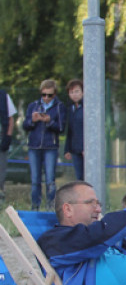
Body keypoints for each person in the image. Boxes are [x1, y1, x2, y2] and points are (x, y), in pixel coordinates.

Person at [23, 79, 66, 211]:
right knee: (35, 180)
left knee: (50, 180)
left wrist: (49, 121)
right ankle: (35, 207)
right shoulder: (33, 106)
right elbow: (25, 125)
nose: (46, 98)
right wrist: (32, 121)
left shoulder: (59, 107)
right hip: (34, 146)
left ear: (55, 94)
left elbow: (61, 128)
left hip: (50, 147)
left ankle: (50, 206)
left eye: (49, 95)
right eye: (44, 95)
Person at [64, 79, 85, 180]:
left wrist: (85, 148)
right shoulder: (70, 109)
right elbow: (70, 130)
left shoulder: (88, 108)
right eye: (71, 92)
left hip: (85, 149)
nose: (74, 94)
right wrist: (67, 149)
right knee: (79, 178)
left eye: (77, 91)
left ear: (83, 92)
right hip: (75, 150)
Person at [0, 84, 18, 200]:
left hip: (1, 139)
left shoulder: (4, 96)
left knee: (1, 170)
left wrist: (8, 136)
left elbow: (11, 118)